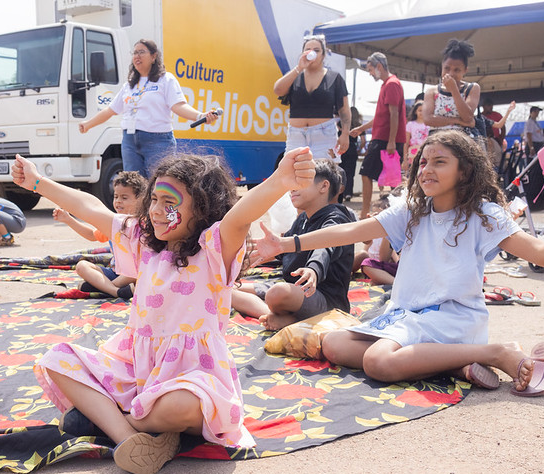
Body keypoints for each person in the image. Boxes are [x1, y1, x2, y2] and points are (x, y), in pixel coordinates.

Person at [10, 147, 316, 474]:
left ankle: (111, 422)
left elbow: (239, 217)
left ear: (202, 210)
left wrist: (279, 181)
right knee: (57, 359)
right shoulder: (143, 241)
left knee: (182, 405)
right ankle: (130, 439)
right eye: (154, 199)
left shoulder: (213, 250)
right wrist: (38, 182)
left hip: (192, 376)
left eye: (170, 203)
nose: (156, 210)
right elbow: (90, 207)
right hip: (139, 370)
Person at [254, 130, 544, 396]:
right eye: (423, 162)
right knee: (333, 344)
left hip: (451, 318)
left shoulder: (484, 215)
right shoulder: (412, 210)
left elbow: (541, 252)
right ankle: (456, 365)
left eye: (439, 162)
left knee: (377, 361)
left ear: (464, 171)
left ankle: (497, 353)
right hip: (406, 316)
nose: (426, 170)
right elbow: (351, 231)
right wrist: (286, 244)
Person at [232, 159, 354, 331]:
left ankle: (291, 319)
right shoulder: (304, 218)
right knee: (228, 290)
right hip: (296, 290)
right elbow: (285, 248)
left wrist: (313, 269)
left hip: (326, 301)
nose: (293, 188)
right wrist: (263, 253)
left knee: (278, 293)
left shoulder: (336, 218)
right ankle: (281, 318)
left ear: (323, 186)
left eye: (301, 182)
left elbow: (325, 247)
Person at [77, 39, 218, 177]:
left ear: (153, 56)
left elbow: (178, 106)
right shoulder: (129, 85)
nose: (137, 56)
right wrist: (88, 124)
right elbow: (110, 110)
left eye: (141, 52)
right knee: (134, 187)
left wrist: (200, 116)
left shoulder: (166, 79)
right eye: (135, 53)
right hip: (129, 142)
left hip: (158, 141)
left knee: (159, 183)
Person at [53, 171, 146, 299]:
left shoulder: (142, 224)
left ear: (140, 200)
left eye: (124, 198)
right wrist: (68, 220)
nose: (118, 201)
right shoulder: (114, 222)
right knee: (81, 266)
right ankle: (115, 291)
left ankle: (104, 288)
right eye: (116, 196)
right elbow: (91, 235)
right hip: (115, 272)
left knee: (139, 272)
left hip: (134, 274)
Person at [273, 34, 350, 160]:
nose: (312, 53)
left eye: (317, 50)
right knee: (293, 173)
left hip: (324, 135)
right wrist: (299, 67)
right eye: (308, 50)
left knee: (324, 175)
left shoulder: (334, 78)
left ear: (323, 55)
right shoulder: (295, 75)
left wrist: (345, 133)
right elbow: (278, 90)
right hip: (296, 135)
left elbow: (344, 110)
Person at [350, 52, 406, 220]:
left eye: (370, 69)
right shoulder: (388, 84)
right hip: (384, 138)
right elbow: (381, 116)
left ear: (379, 67)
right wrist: (361, 128)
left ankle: (365, 213)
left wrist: (391, 141)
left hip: (386, 140)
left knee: (369, 173)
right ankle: (388, 213)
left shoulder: (392, 84)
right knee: (391, 178)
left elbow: (394, 115)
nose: (370, 73)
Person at [422, 40, 480, 138]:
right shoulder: (432, 91)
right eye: (447, 68)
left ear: (465, 70)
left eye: (457, 70)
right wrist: (456, 120)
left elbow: (467, 117)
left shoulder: (472, 88)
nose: (451, 73)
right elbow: (427, 119)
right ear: (442, 67)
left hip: (461, 140)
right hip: (436, 140)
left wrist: (454, 90)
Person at [356, 196, 398, 285]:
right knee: (364, 258)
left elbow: (392, 259)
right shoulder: (379, 231)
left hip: (401, 269)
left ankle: (396, 284)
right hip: (377, 265)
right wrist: (369, 228)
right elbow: (366, 247)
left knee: (367, 264)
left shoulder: (395, 229)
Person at [339, 106, 365, 202]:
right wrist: (359, 150)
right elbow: (363, 141)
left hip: (342, 149)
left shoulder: (341, 123)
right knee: (350, 173)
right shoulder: (358, 125)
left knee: (340, 172)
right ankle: (348, 193)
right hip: (352, 149)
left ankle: (340, 194)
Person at [403, 101, 429, 173]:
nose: (421, 112)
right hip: (413, 153)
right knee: (414, 173)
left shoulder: (429, 124)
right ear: (415, 112)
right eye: (419, 110)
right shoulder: (410, 124)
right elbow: (406, 142)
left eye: (423, 110)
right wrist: (405, 159)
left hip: (426, 152)